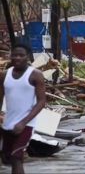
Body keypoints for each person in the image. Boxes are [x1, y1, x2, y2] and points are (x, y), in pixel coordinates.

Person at [0, 44, 46, 174]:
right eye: (14, 55)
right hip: (8, 123)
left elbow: (42, 101)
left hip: (26, 124)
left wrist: (23, 122)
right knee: (6, 158)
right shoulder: (4, 75)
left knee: (16, 157)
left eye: (21, 55)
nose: (17, 58)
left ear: (28, 57)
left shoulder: (35, 75)